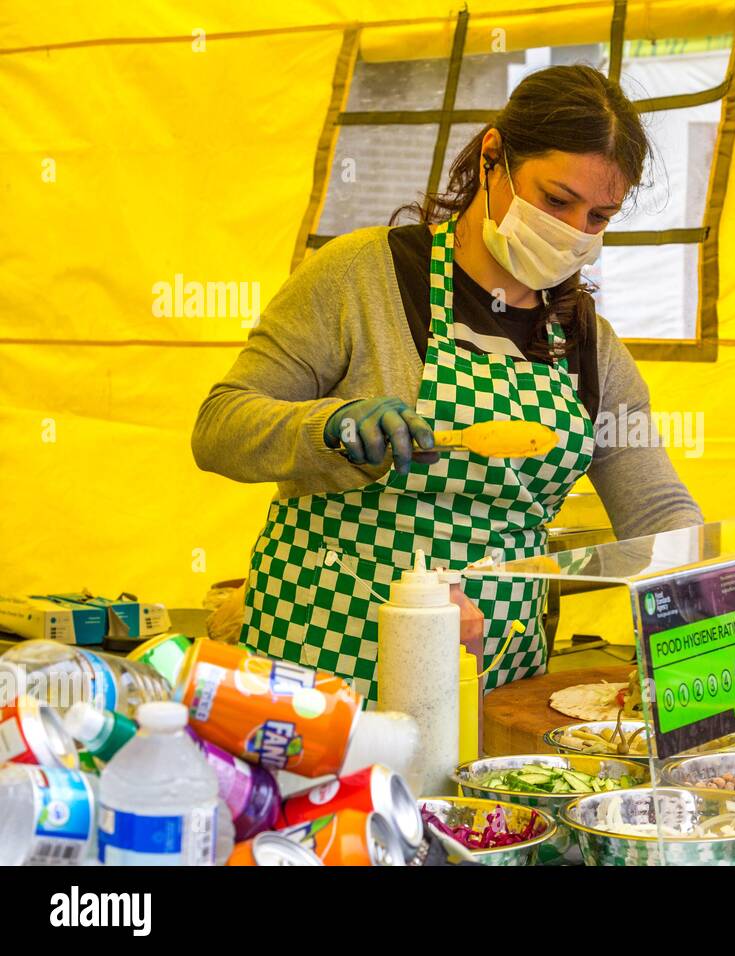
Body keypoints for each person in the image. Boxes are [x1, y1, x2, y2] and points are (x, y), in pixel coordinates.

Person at [192, 64, 702, 702]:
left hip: (490, 680)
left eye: (599, 215)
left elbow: (657, 512)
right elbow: (218, 428)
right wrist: (328, 426)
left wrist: (709, 607)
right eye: (555, 199)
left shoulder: (590, 347)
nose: (574, 230)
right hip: (321, 674)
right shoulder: (362, 276)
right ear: (494, 156)